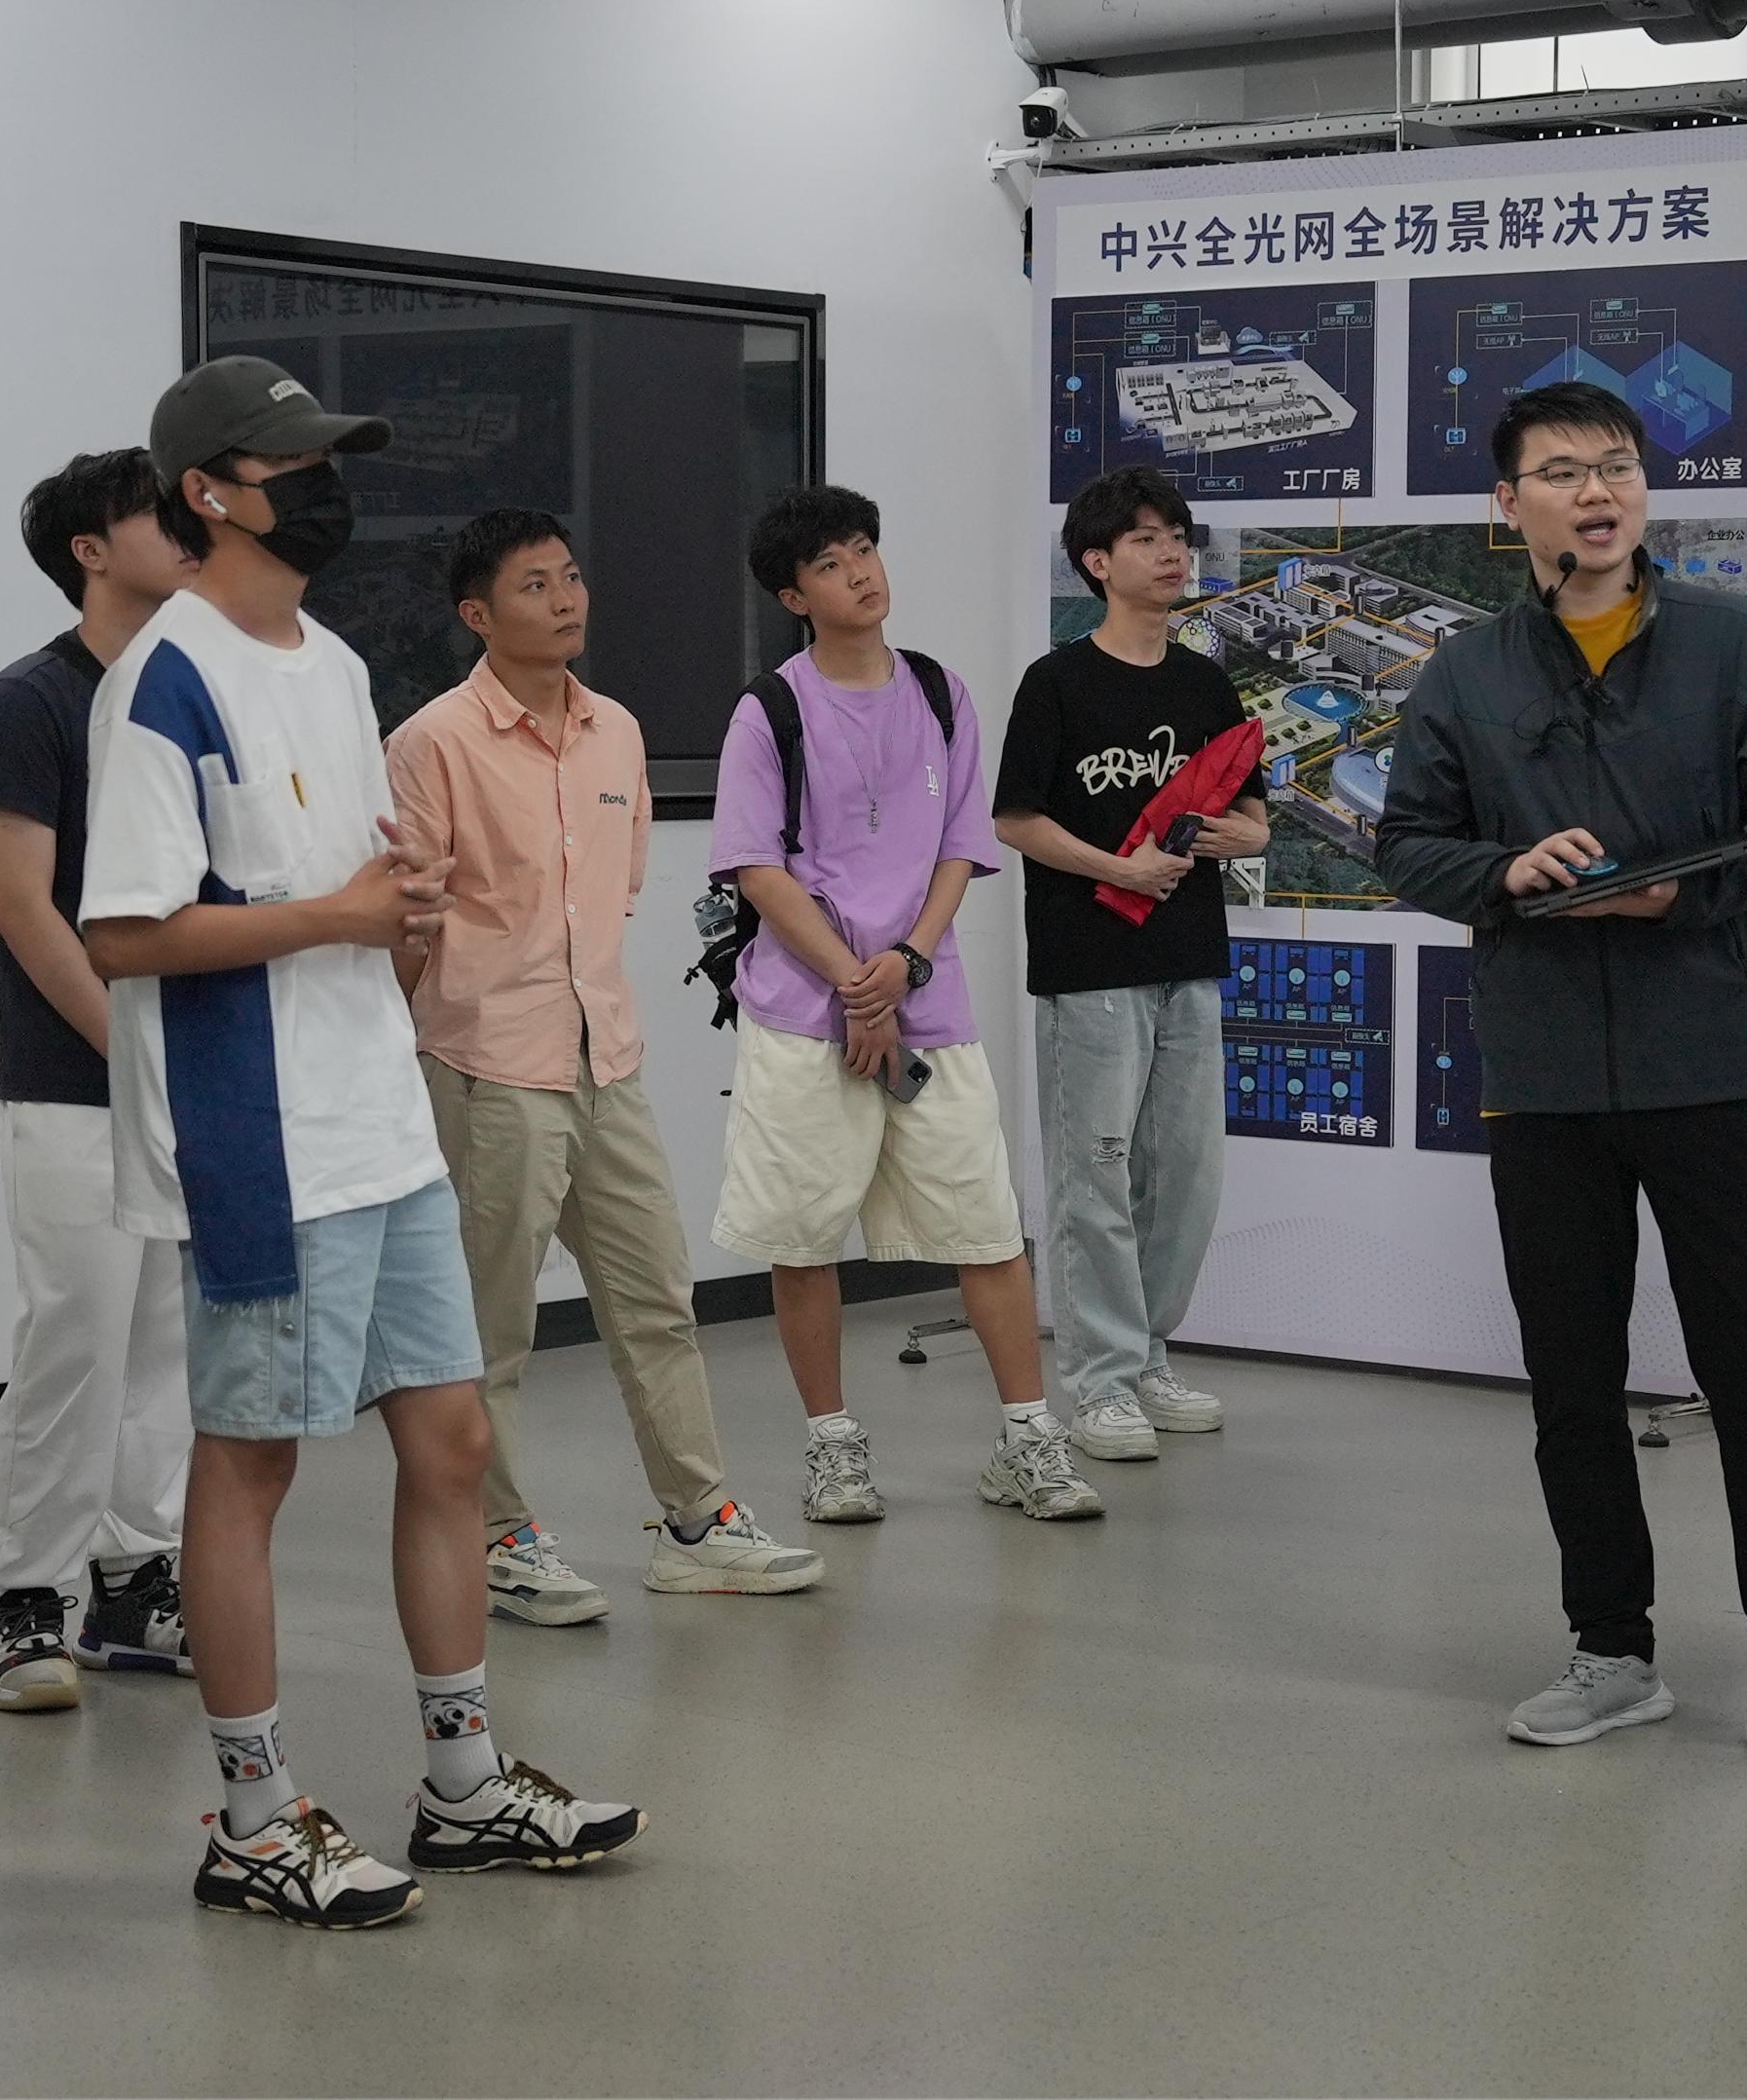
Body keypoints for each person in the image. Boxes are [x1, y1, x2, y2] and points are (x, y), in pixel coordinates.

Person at [87, 357, 640, 1929]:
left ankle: (460, 1783)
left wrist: (388, 914)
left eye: (332, 458)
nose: (326, 486)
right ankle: (253, 1815)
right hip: (255, 1132)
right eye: (295, 463)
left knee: (449, 1439)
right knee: (251, 1458)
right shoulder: (165, 677)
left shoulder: (331, 661)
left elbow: (348, 889)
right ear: (209, 490)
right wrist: (331, 915)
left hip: (378, 1113)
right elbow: (125, 929)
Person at [1376, 382, 1747, 1772]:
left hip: (1711, 1058)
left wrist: (1682, 892)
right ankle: (1610, 1650)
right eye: (1561, 471)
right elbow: (1406, 841)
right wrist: (1507, 870)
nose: (1597, 491)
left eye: (1615, 465)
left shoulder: (1733, 641)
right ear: (1509, 506)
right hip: (1544, 1075)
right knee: (1573, 1379)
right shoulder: (1465, 671)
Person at [387, 507, 819, 1625]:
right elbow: (407, 922)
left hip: (604, 1058)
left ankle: (698, 1522)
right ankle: (495, 1536)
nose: (566, 598)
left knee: (656, 1298)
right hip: (489, 1063)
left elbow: (613, 892)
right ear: (478, 614)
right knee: (493, 1326)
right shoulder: (433, 742)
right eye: (535, 585)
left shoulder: (616, 730)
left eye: (571, 576)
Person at [708, 485, 1100, 1525]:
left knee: (986, 1228)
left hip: (926, 1004)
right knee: (804, 1238)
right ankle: (833, 1449)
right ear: (795, 595)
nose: (860, 574)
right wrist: (853, 979)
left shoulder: (938, 690)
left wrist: (906, 966)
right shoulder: (770, 708)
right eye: (831, 564)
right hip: (805, 1011)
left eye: (864, 550)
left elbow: (962, 843)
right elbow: (755, 866)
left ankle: (1030, 1442)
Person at [0, 449, 200, 1709]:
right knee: (76, 1341)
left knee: (166, 1348)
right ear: (90, 552)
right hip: (73, 1081)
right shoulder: (28, 702)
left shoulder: (192, 693)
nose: (188, 530)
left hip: (194, 1075)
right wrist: (133, 1046)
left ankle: (133, 1580)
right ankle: (26, 1597)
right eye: (157, 515)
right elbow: (23, 907)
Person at [990, 466, 1265, 1464]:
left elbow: (1253, 813)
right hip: (1090, 962)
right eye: (1147, 538)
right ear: (1097, 563)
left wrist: (1243, 837)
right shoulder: (1056, 682)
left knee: (1184, 1177)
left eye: (1177, 536)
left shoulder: (1204, 683)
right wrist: (1120, 868)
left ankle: (1148, 1354)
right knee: (1095, 1178)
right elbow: (1015, 819)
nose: (1171, 553)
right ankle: (1098, 1381)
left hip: (1189, 956)